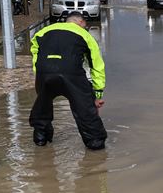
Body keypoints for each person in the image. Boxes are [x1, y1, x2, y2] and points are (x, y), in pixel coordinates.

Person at [28, 12, 107, 150]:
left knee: (43, 106)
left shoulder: (42, 32)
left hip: (44, 73)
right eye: (85, 25)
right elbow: (96, 65)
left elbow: (35, 55)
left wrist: (41, 79)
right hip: (71, 73)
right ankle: (96, 145)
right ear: (81, 22)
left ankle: (41, 138)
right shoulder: (85, 35)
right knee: (85, 110)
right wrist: (97, 93)